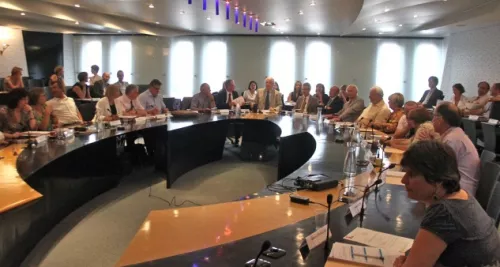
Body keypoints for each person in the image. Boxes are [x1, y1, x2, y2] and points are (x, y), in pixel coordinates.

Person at [394, 140, 500, 267]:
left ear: (436, 178)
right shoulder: (462, 196)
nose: (403, 180)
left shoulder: (444, 213)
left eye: (411, 174)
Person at [432, 102, 480, 196]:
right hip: (456, 186)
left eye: (434, 116)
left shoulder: (452, 140)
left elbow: (439, 169)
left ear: (440, 119)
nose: (432, 120)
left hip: (460, 192)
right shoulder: (455, 134)